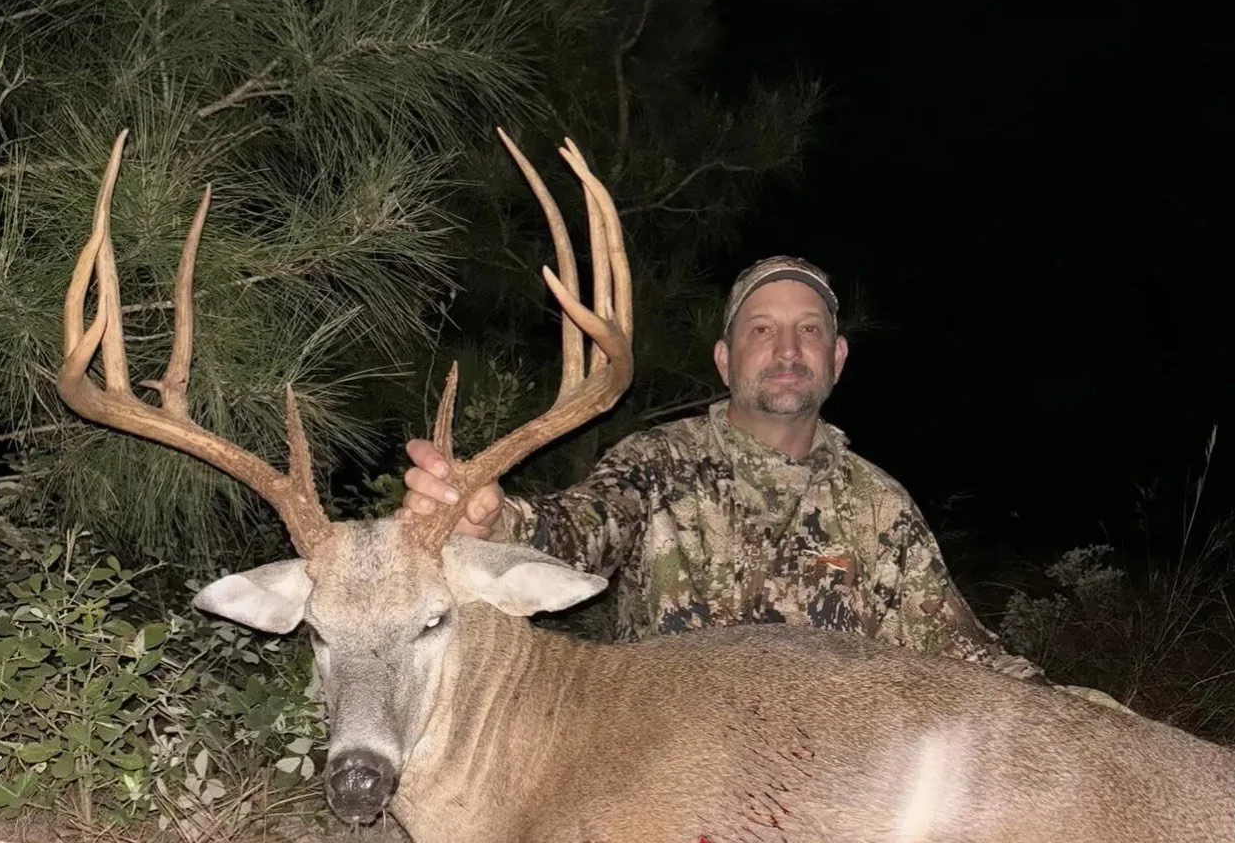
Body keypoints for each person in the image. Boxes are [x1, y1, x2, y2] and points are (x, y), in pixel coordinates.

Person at [404, 255, 1043, 679]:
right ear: (723, 359)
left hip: (827, 788)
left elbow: (965, 654)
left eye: (810, 331)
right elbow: (575, 535)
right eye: (761, 331)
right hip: (670, 776)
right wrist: (494, 519)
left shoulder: (879, 505)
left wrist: (1079, 714)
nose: (788, 350)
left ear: (838, 359)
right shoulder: (657, 463)